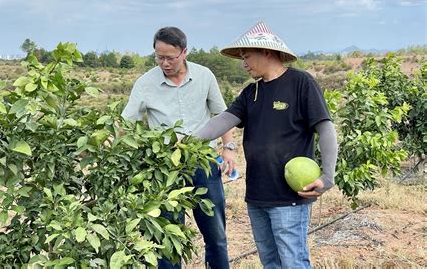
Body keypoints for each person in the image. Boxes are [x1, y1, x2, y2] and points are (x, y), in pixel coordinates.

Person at [195, 21, 338, 268]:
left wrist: (328, 176)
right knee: (270, 262)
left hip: (289, 196)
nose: (244, 63)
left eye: (247, 56)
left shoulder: (300, 83)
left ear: (267, 52)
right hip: (258, 195)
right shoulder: (251, 92)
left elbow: (326, 129)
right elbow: (223, 121)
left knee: (293, 261)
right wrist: (187, 141)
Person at [121, 26, 236, 269]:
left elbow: (223, 115)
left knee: (216, 234)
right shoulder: (145, 84)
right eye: (159, 57)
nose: (164, 63)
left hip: (202, 163)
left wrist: (229, 147)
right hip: (164, 168)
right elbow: (125, 125)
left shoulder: (204, 76)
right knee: (167, 236)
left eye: (170, 58)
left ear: (184, 52)